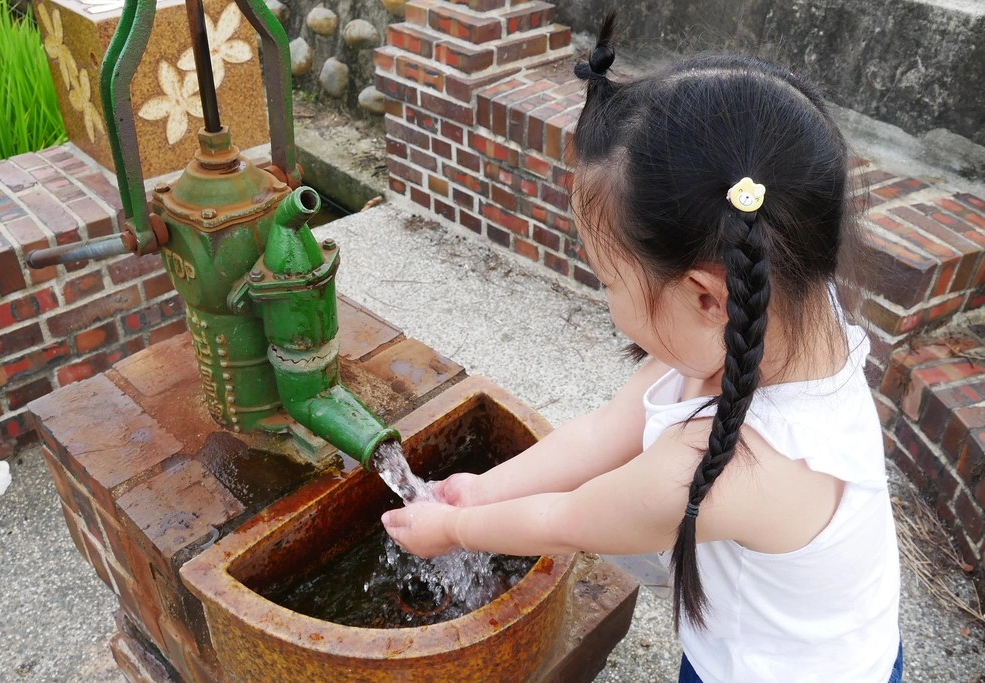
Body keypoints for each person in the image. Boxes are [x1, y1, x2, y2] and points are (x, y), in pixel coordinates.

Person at [381, 13, 902, 682]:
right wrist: (479, 490)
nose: (608, 303)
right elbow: (609, 429)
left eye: (607, 280)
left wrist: (454, 532)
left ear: (705, 295)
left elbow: (569, 518)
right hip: (802, 641)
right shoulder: (768, 299)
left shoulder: (740, 468)